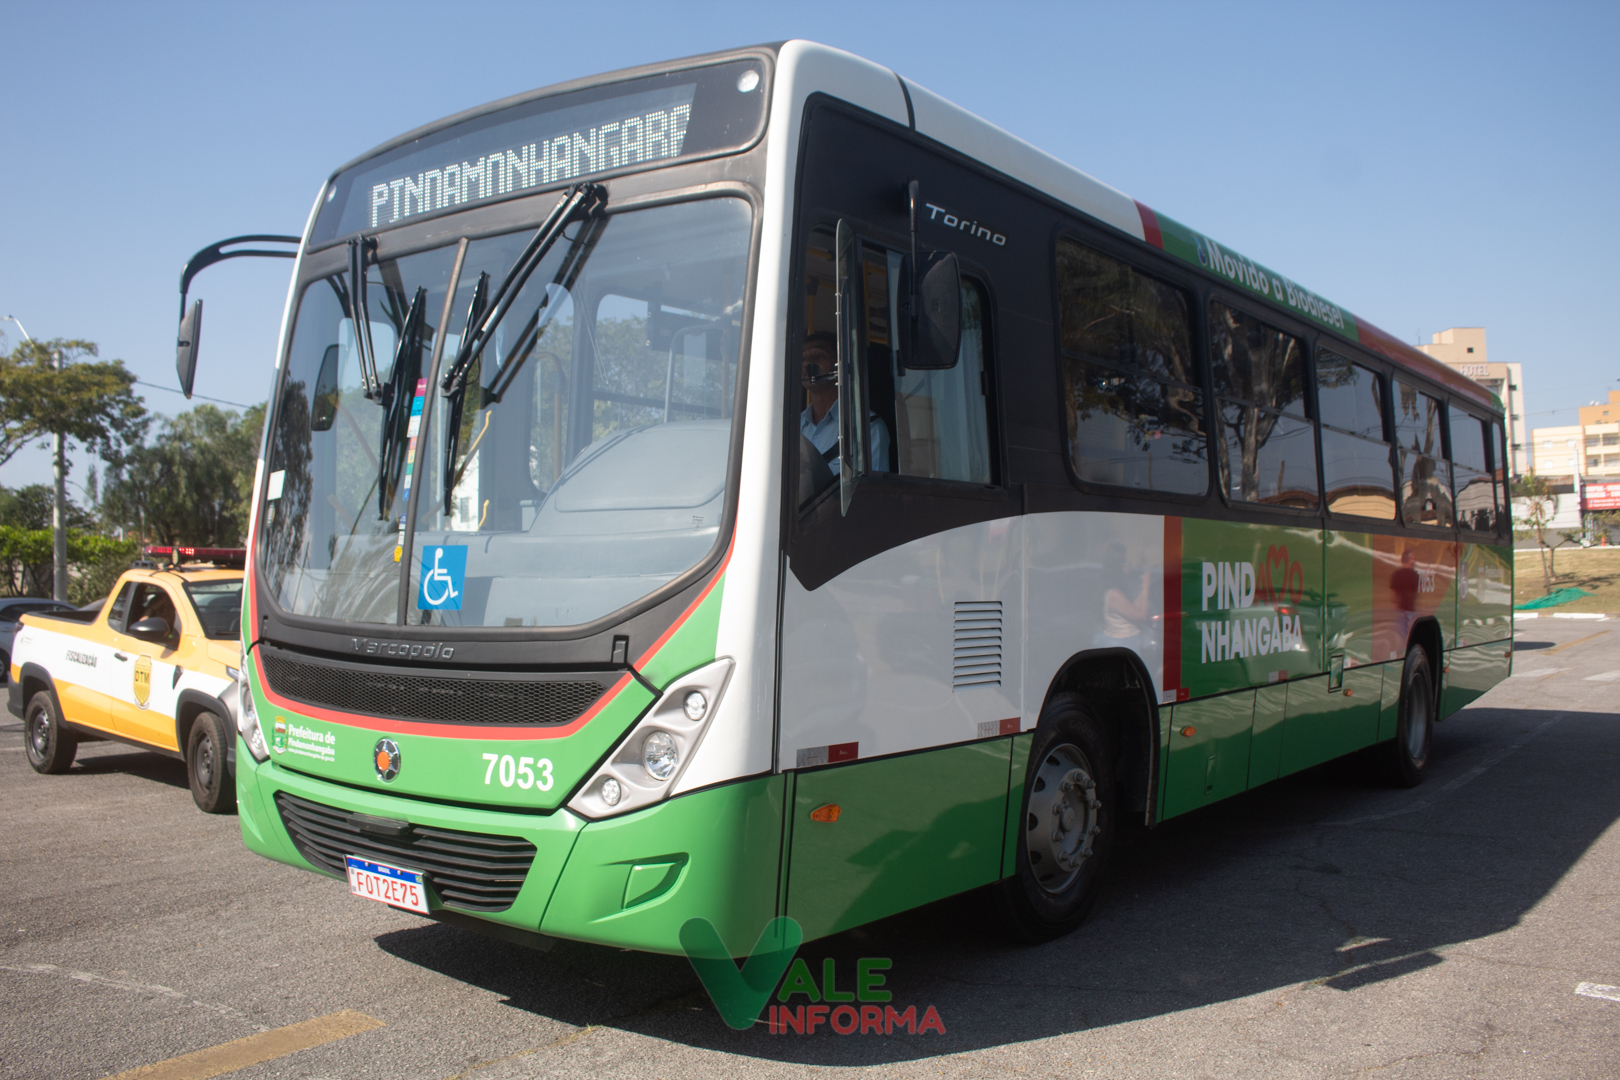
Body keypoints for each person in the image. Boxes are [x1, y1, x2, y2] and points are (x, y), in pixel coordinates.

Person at [799, 331, 889, 476]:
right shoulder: (792, 428)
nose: (807, 364)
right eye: (803, 359)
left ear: (839, 365)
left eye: (818, 356)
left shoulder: (867, 427)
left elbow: (871, 488)